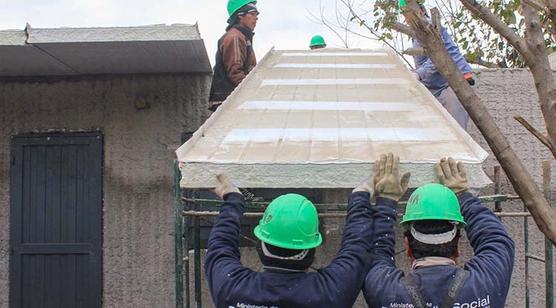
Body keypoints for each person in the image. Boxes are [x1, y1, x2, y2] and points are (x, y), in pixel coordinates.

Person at [205, 153, 408, 308]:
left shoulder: (232, 288)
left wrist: (233, 199)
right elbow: (357, 247)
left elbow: (220, 247)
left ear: (260, 244)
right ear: (311, 250)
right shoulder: (330, 293)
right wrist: (361, 195)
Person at [363, 156, 515, 308]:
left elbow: (376, 252)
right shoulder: (484, 284)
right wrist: (462, 195)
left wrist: (386, 201)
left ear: (407, 247)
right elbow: (496, 241)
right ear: (457, 248)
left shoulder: (386, 291)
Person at [400, 0, 475, 129]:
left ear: (421, 11)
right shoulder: (417, 33)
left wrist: (418, 74)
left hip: (456, 80)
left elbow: (440, 57)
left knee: (456, 127)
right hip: (439, 84)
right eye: (405, 14)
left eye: (409, 13)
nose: (407, 18)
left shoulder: (428, 27)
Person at [209, 0, 258, 110]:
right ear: (240, 15)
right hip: (228, 100)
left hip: (232, 98)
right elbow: (235, 73)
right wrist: (254, 93)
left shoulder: (242, 37)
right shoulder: (235, 37)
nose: (257, 18)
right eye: (253, 13)